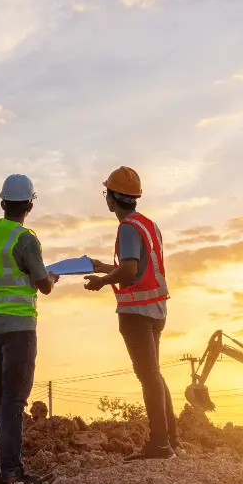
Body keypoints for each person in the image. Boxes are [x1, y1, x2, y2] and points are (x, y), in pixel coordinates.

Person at [0, 175, 59, 484]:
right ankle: (11, 471)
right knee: (13, 399)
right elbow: (43, 284)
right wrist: (52, 276)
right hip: (20, 327)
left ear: (3, 203)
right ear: (30, 205)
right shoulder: (25, 240)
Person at [83, 166, 177, 460]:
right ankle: (171, 440)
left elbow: (130, 270)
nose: (106, 199)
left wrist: (102, 281)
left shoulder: (126, 228)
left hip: (136, 312)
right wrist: (104, 267)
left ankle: (160, 446)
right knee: (155, 375)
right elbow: (138, 271)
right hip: (156, 308)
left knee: (148, 376)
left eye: (106, 193)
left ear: (113, 198)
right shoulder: (149, 225)